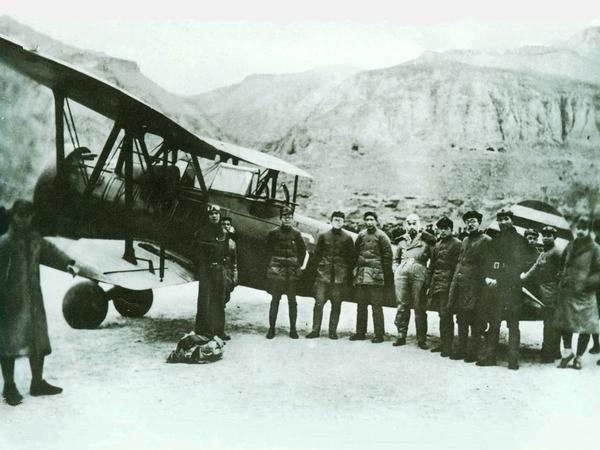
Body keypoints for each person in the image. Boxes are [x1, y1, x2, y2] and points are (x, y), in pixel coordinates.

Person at [0, 200, 77, 406]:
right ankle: (9, 386)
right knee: (8, 344)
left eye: (28, 215)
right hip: (10, 303)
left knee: (38, 341)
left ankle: (37, 383)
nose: (24, 219)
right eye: (20, 215)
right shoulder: (4, 243)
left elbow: (51, 251)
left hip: (34, 301)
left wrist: (67, 263)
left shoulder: (35, 240)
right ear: (12, 216)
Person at [478, 209, 530, 370]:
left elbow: (519, 265)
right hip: (495, 289)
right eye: (500, 219)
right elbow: (488, 261)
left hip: (512, 288)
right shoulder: (494, 240)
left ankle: (513, 360)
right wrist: (487, 276)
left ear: (512, 221)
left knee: (513, 325)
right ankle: (490, 357)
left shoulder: (520, 241)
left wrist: (498, 278)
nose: (502, 222)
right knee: (494, 323)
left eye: (506, 219)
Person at [554, 216, 600, 370]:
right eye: (578, 228)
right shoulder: (570, 245)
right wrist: (561, 277)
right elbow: (561, 265)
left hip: (585, 295)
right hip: (567, 293)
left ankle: (579, 358)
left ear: (589, 230)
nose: (580, 231)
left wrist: (586, 284)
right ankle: (567, 352)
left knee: (585, 327)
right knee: (565, 324)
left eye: (584, 228)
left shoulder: (595, 249)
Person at [448, 210, 490, 362]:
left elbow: (487, 266)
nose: (470, 224)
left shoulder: (486, 240)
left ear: (479, 223)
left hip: (476, 287)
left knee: (476, 321)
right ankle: (461, 350)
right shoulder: (464, 240)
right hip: (460, 285)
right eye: (468, 221)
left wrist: (481, 288)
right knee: (462, 318)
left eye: (473, 221)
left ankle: (472, 353)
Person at [306, 211, 355, 339]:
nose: (338, 222)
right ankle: (315, 330)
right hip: (323, 275)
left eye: (340, 220)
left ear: (343, 222)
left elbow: (351, 259)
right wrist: (316, 273)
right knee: (319, 303)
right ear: (331, 221)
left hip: (339, 277)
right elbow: (317, 256)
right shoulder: (323, 236)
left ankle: (332, 332)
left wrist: (347, 276)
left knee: (336, 304)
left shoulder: (348, 238)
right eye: (335, 220)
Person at [520, 226, 562, 363]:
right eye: (544, 235)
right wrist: (522, 278)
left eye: (549, 235)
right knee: (549, 322)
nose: (545, 238)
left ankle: (549, 355)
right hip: (543, 291)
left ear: (554, 237)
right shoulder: (544, 252)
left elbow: (565, 271)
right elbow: (535, 268)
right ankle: (553, 352)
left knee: (550, 324)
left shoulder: (557, 252)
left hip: (552, 291)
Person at [393, 213, 435, 349]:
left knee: (419, 306)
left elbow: (433, 259)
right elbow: (395, 259)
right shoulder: (401, 241)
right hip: (402, 274)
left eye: (414, 223)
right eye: (409, 223)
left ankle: (421, 338)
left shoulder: (426, 241)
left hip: (419, 273)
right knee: (402, 304)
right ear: (406, 225)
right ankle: (401, 335)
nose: (412, 226)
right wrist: (396, 269)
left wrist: (427, 274)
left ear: (419, 225)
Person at [351, 211, 393, 343]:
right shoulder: (361, 235)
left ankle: (379, 335)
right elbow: (356, 252)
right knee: (361, 305)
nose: (369, 222)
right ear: (364, 221)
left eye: (372, 220)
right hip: (363, 276)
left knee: (376, 306)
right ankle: (360, 333)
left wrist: (384, 276)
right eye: (367, 219)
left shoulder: (382, 236)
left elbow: (388, 256)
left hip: (376, 276)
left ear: (376, 221)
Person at [265, 206, 307, 339]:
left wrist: (296, 265)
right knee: (275, 300)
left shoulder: (296, 234)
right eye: (285, 217)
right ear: (280, 218)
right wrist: (274, 265)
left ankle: (293, 330)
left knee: (292, 301)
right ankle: (271, 329)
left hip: (291, 272)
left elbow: (302, 251)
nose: (287, 219)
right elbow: (267, 250)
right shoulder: (273, 233)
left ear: (292, 218)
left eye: (289, 217)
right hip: (277, 272)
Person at [194, 205, 233, 340]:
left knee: (219, 301)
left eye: (216, 213)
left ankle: (219, 331)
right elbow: (197, 253)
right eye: (211, 214)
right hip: (207, 270)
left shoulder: (224, 233)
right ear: (208, 216)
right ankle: (205, 331)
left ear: (219, 215)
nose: (214, 216)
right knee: (205, 301)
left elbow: (228, 252)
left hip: (219, 270)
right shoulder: (202, 232)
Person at [428, 216, 461, 356]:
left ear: (451, 230)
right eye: (440, 228)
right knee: (441, 315)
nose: (443, 231)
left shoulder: (457, 244)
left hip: (448, 284)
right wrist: (429, 283)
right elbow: (433, 265)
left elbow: (457, 266)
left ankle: (448, 346)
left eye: (446, 229)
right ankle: (443, 343)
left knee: (447, 315)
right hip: (437, 283)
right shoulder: (437, 244)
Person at [221, 216, 238, 341]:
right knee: (217, 303)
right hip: (217, 274)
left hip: (226, 275)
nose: (226, 226)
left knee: (224, 301)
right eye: (223, 224)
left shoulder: (232, 243)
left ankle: (219, 331)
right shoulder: (216, 239)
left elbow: (234, 261)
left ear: (230, 226)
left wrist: (235, 275)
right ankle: (216, 330)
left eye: (228, 224)